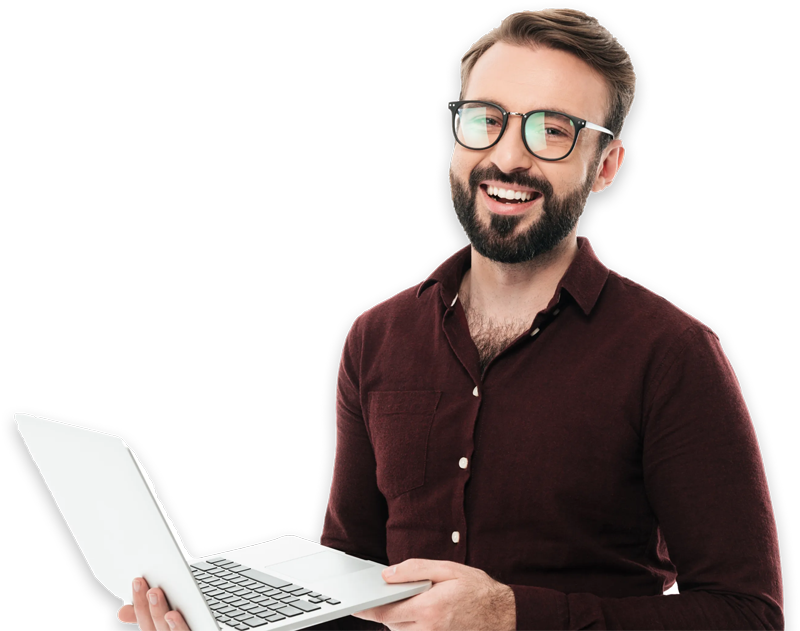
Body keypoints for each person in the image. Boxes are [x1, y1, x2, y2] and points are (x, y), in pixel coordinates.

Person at [118, 6, 785, 631]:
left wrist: (513, 613)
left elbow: (749, 613)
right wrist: (223, 618)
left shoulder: (673, 352)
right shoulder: (375, 337)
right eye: (485, 118)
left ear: (605, 164)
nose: (509, 156)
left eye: (552, 130)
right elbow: (347, 577)